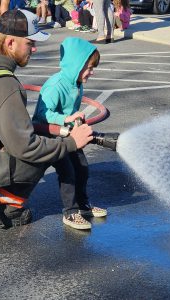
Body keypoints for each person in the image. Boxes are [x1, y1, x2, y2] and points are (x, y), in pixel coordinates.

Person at [0, 9, 93, 228]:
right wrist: (71, 142)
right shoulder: (6, 85)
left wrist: (59, 128)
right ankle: (6, 207)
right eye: (30, 43)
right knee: (46, 147)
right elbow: (26, 147)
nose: (34, 48)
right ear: (10, 43)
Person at [33, 37, 107, 230]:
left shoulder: (76, 82)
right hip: (51, 136)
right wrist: (65, 119)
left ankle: (83, 206)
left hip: (69, 134)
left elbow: (69, 112)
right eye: (90, 67)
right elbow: (42, 114)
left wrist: (75, 120)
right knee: (68, 172)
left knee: (82, 167)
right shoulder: (56, 85)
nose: (92, 72)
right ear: (77, 64)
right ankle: (70, 213)